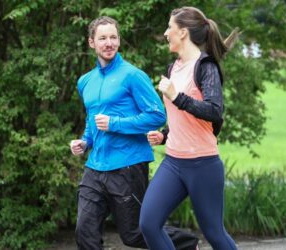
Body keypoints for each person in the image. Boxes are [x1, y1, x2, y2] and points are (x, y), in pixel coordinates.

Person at [70, 16, 199, 250]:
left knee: (135, 233)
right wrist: (85, 141)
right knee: (84, 230)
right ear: (91, 43)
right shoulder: (85, 81)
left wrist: (115, 124)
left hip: (127, 166)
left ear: (119, 41)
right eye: (102, 38)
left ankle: (188, 245)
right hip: (95, 166)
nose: (108, 43)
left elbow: (157, 115)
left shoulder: (132, 75)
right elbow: (93, 118)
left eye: (113, 37)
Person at [139, 6, 239, 250]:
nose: (165, 33)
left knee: (214, 234)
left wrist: (177, 96)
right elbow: (183, 120)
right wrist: (164, 135)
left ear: (183, 33)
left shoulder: (206, 67)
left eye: (170, 28)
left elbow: (214, 110)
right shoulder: (173, 68)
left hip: (203, 164)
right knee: (148, 224)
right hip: (174, 162)